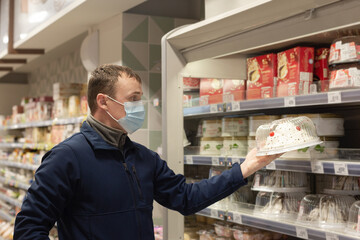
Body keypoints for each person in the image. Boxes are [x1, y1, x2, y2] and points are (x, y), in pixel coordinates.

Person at [14, 65, 280, 240]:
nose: (138, 107)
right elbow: (29, 228)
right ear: (103, 101)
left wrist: (247, 166)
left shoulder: (143, 158)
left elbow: (187, 198)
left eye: (139, 99)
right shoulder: (67, 157)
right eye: (132, 99)